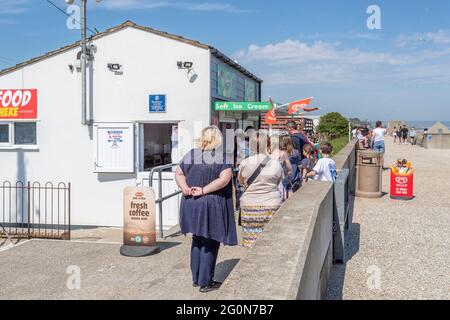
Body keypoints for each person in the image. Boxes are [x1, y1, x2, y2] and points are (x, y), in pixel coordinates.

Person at [175, 126, 238, 293]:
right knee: (210, 240)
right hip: (209, 203)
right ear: (217, 139)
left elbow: (179, 173)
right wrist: (204, 190)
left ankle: (196, 278)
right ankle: (206, 281)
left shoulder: (191, 154)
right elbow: (224, 180)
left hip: (190, 202)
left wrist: (185, 188)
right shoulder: (221, 157)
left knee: (197, 239)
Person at [238, 131, 283, 248]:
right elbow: (278, 182)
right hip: (271, 205)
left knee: (251, 243)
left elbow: (241, 181)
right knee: (270, 241)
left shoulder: (245, 163)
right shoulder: (275, 164)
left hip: (249, 206)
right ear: (268, 146)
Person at [269, 133, 293, 201]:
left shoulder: (266, 154)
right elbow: (290, 170)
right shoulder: (282, 153)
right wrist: (283, 175)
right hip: (279, 181)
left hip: (268, 181)